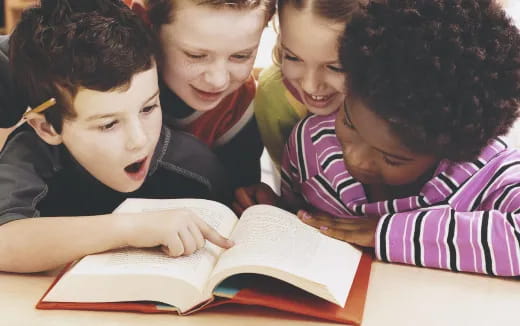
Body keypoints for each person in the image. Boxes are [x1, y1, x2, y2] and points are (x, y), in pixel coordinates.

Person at [283, 0, 520, 276]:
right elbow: (292, 214)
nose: (355, 159)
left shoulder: (488, 173)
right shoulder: (309, 143)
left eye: (391, 158)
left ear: (449, 150)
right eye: (349, 123)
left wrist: (387, 234)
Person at [0, 0, 234, 274]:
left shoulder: (198, 168)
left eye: (148, 108)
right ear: (47, 128)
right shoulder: (29, 155)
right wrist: (129, 228)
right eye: (109, 124)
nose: (139, 140)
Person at [126, 0, 275, 190]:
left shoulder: (239, 106)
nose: (218, 81)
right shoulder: (99, 79)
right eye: (195, 55)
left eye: (241, 56)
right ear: (144, 22)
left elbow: (239, 189)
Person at [233, 0, 362, 213]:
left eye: (336, 67)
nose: (310, 85)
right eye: (292, 57)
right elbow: (297, 195)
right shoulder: (275, 98)